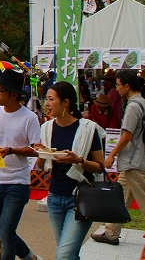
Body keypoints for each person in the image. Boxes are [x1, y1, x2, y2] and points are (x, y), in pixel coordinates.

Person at [91, 70, 145, 246]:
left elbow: (127, 136)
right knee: (120, 196)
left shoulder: (132, 106)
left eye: (118, 85)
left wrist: (112, 155)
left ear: (127, 86)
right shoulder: (143, 103)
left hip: (133, 162)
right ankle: (111, 232)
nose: (117, 88)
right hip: (134, 161)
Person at [0, 69, 43, 260]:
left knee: (6, 234)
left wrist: (12, 150)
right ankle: (29, 256)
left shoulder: (29, 118)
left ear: (14, 94)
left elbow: (36, 149)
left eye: (0, 91)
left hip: (17, 183)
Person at [34, 82, 105, 260]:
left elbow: (100, 166)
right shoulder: (47, 128)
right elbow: (41, 166)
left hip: (80, 199)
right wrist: (41, 152)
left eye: (51, 99)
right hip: (55, 197)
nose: (47, 104)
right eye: (46, 99)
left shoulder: (88, 129)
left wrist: (79, 160)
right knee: (69, 253)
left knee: (64, 255)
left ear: (66, 102)